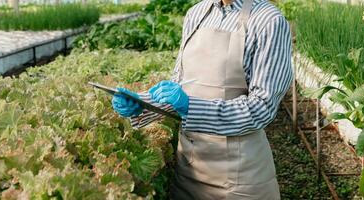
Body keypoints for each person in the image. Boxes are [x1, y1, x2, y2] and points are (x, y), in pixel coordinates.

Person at [111, 0, 293, 199]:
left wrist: (191, 107)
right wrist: (142, 105)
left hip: (239, 179)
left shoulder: (269, 20)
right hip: (188, 171)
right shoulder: (196, 14)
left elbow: (261, 108)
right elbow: (180, 85)